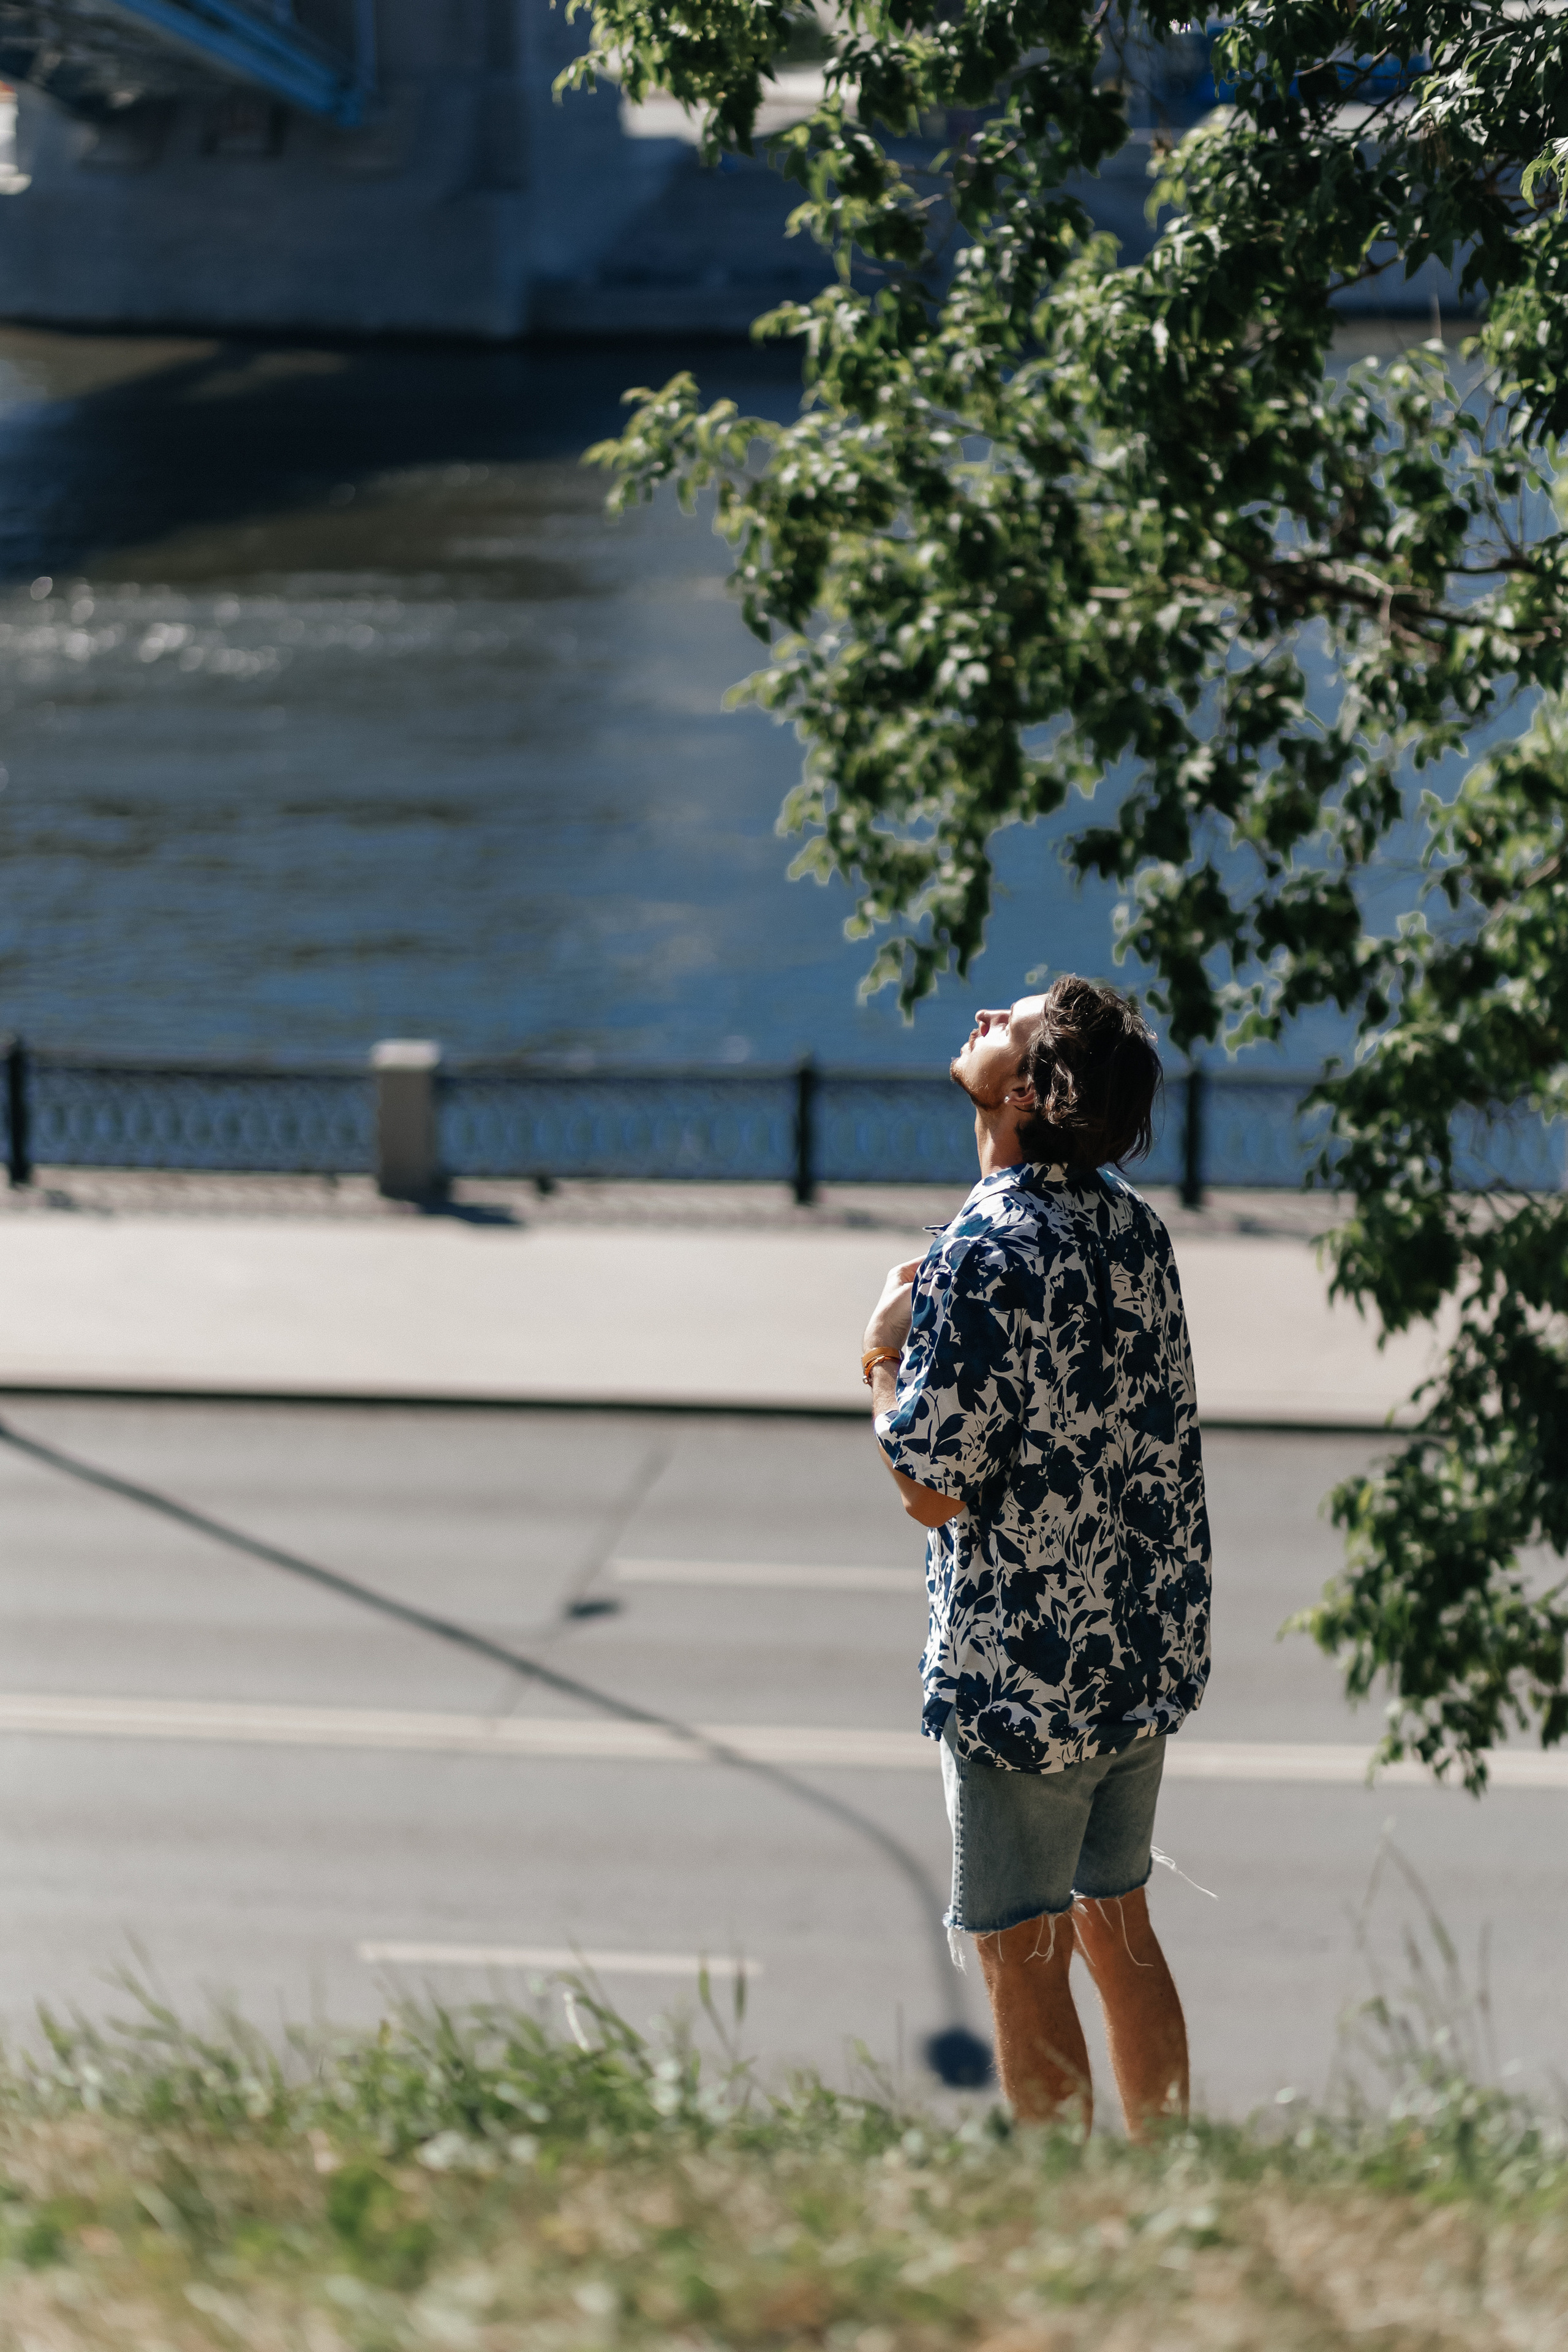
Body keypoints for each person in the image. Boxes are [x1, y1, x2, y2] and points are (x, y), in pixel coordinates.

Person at [861, 976, 1211, 2138]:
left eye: (1001, 1022)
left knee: (1022, 1958)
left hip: (1026, 1679)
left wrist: (877, 1359)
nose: (977, 1019)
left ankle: (1066, 2231)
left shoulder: (985, 1246)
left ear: (1025, 1088)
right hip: (1133, 1661)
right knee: (1122, 1933)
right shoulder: (1135, 1231)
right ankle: (1169, 2192)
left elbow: (928, 1488)